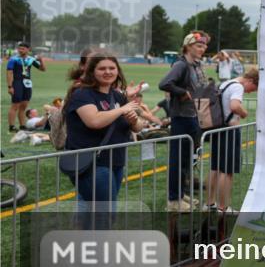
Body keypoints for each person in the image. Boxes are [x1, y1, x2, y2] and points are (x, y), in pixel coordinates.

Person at [60, 53, 143, 206]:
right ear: (92, 71)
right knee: (104, 214)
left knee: (94, 210)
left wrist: (133, 120)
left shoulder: (117, 96)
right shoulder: (82, 94)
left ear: (118, 71)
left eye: (112, 68)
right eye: (102, 68)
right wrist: (122, 109)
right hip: (94, 164)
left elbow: (138, 128)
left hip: (116, 162)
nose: (108, 72)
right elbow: (94, 121)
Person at [159, 31, 211, 211]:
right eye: (198, 45)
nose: (202, 49)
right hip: (181, 117)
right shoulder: (181, 65)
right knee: (177, 160)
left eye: (204, 46)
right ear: (188, 46)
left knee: (187, 160)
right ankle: (173, 200)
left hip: (193, 116)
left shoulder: (195, 65)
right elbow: (164, 83)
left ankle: (181, 194)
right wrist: (182, 93)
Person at [206, 66, 258, 212]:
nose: (251, 91)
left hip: (217, 128)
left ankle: (209, 204)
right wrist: (244, 113)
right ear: (250, 80)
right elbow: (235, 106)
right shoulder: (237, 87)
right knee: (227, 171)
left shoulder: (225, 83)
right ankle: (223, 207)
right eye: (253, 88)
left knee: (214, 168)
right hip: (229, 130)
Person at [7, 42, 46, 132]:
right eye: (19, 48)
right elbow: (9, 73)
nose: (20, 50)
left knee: (24, 106)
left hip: (27, 83)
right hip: (17, 82)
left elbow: (42, 69)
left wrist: (41, 60)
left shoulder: (31, 59)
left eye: (23, 49)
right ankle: (11, 126)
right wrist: (10, 86)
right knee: (15, 105)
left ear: (28, 50)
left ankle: (22, 126)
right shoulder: (13, 59)